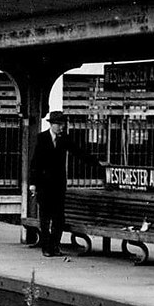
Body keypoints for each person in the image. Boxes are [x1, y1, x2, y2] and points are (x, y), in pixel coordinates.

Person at [28, 110, 103, 258]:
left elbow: (79, 152)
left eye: (63, 125)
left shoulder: (65, 139)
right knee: (45, 217)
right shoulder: (41, 138)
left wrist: (97, 163)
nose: (62, 128)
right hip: (44, 184)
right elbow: (35, 162)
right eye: (59, 125)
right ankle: (46, 247)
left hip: (58, 184)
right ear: (52, 125)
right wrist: (33, 184)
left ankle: (54, 245)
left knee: (59, 218)